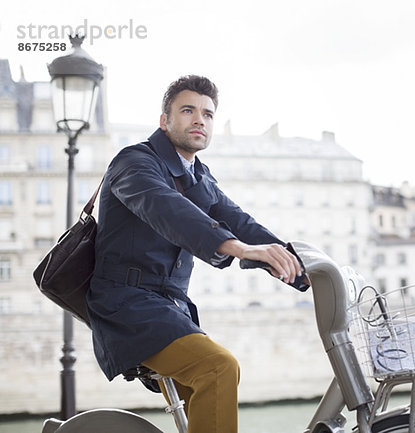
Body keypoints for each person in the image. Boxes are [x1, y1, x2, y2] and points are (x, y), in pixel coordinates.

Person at [86, 75, 309, 433]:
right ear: (165, 120)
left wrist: (305, 268)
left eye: (207, 114)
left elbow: (240, 221)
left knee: (208, 402)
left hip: (168, 310)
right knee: (218, 367)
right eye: (187, 110)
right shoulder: (134, 163)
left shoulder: (198, 176)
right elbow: (167, 208)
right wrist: (237, 248)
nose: (199, 120)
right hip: (126, 307)